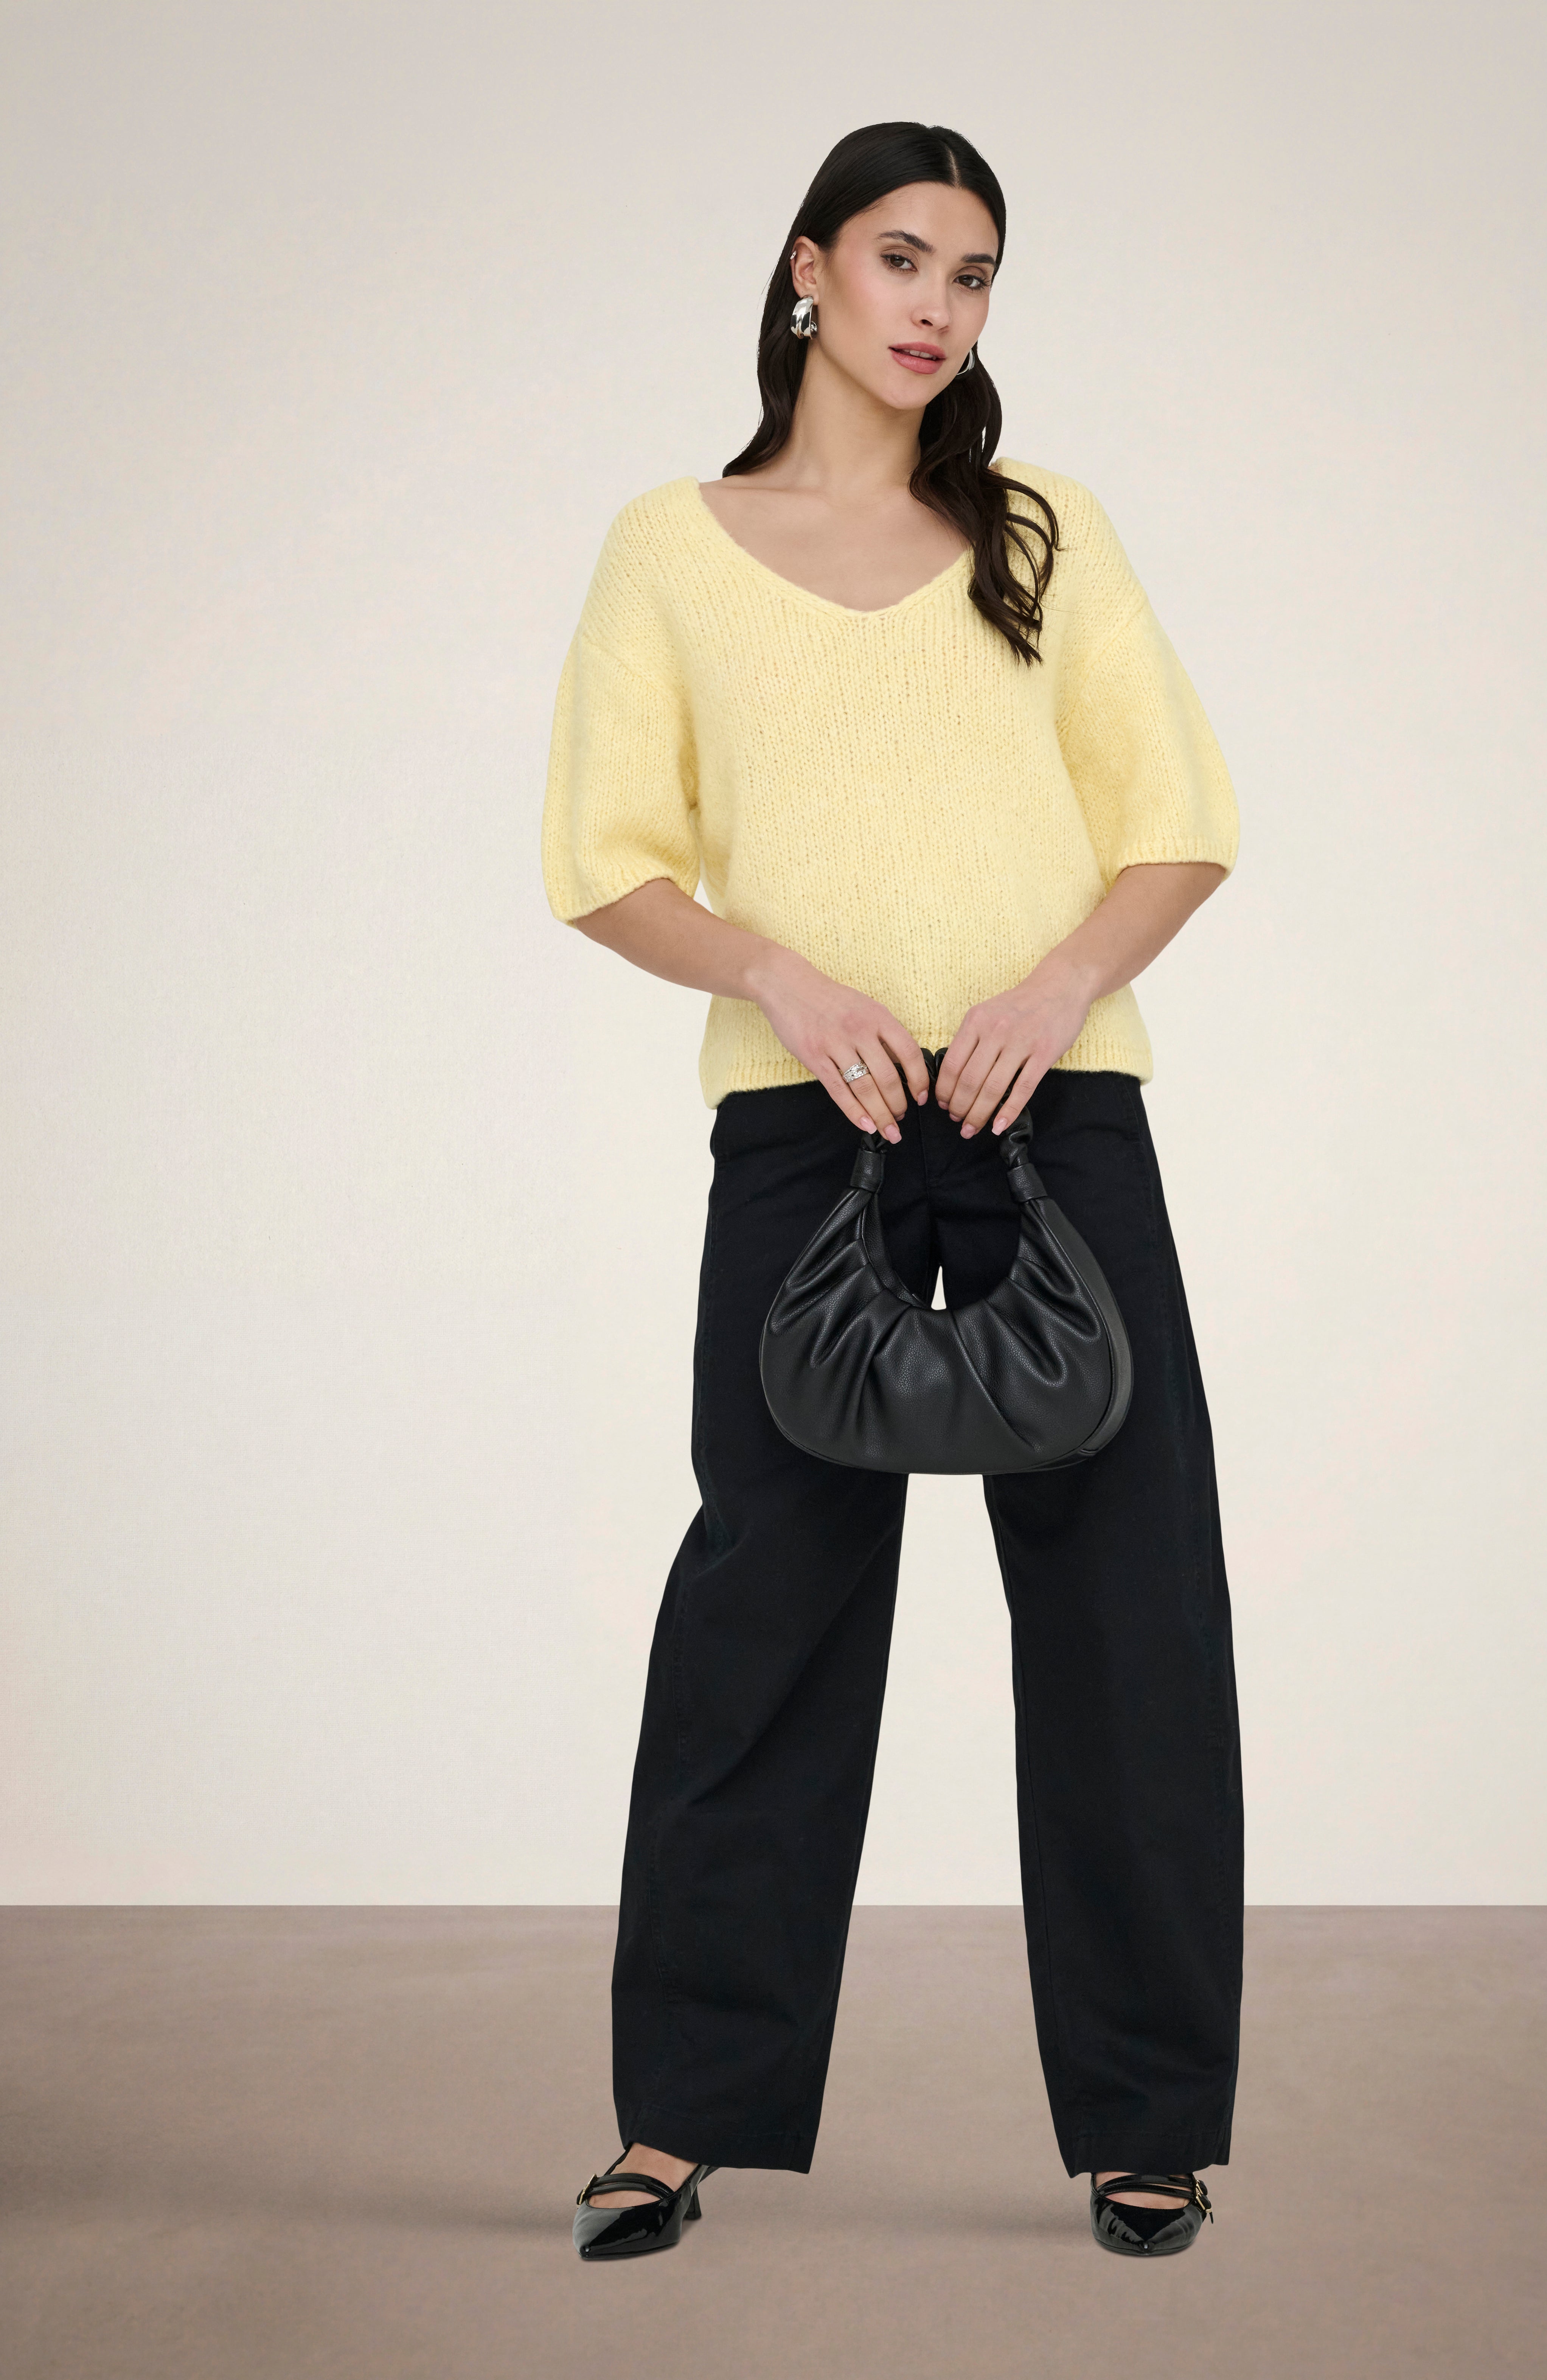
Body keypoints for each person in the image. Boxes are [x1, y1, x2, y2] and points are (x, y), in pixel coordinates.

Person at [541, 120, 1244, 2263]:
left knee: (1129, 1610)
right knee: (763, 1612)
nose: (940, 307)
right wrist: (777, 971)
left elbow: (1178, 820)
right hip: (807, 1127)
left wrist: (1056, 981)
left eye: (977, 273)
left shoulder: (1045, 530)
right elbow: (604, 857)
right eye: (904, 258)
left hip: (1058, 1118)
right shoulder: (672, 548)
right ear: (808, 270)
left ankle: (1147, 2119)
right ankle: (680, 2118)